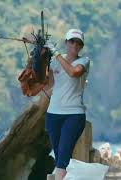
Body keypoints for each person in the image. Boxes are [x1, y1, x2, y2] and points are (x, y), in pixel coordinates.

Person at [40, 28, 90, 180]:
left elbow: (74, 72)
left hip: (74, 115)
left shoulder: (84, 61)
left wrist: (56, 53)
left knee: (63, 156)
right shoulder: (55, 62)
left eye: (78, 43)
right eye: (72, 41)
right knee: (61, 156)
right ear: (66, 43)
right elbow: (48, 85)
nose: (75, 44)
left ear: (81, 46)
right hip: (53, 114)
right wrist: (41, 61)